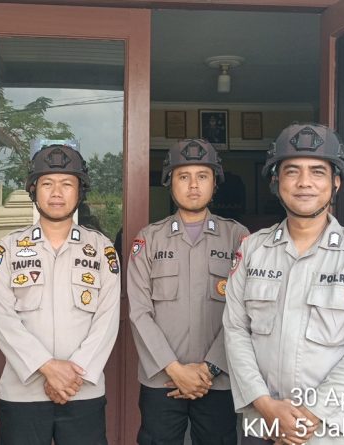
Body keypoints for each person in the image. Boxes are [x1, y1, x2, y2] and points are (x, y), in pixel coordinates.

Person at [223, 123, 344, 445]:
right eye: (292, 171)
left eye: (318, 172)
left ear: (336, 183)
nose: (304, 182)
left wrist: (312, 415)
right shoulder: (252, 250)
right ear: (276, 181)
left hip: (333, 432)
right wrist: (266, 406)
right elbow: (236, 331)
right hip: (263, 427)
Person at [0, 143, 120, 445]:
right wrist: (46, 368)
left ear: (79, 192)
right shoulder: (7, 249)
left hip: (82, 390)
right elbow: (2, 318)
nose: (57, 193)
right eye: (47, 183)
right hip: (22, 394)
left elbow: (108, 319)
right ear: (33, 190)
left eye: (67, 184)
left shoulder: (102, 249)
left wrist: (72, 376)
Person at [127, 139, 249, 445]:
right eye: (183, 176)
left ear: (215, 184)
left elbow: (244, 311)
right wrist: (174, 369)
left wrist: (209, 367)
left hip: (218, 380)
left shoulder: (238, 237)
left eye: (202, 176)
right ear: (170, 183)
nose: (193, 185)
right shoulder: (149, 239)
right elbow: (139, 312)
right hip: (162, 379)